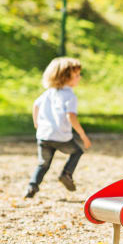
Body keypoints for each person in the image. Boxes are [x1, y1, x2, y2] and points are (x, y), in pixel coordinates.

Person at [24, 57, 91, 198]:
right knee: (77, 151)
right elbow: (71, 116)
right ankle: (66, 174)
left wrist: (37, 123)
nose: (79, 77)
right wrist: (83, 135)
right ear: (66, 77)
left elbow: (35, 105)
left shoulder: (49, 92)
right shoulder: (70, 96)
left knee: (43, 163)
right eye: (77, 75)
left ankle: (32, 187)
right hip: (61, 137)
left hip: (44, 136)